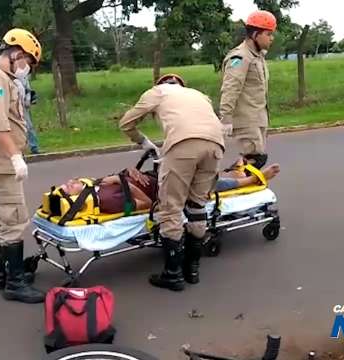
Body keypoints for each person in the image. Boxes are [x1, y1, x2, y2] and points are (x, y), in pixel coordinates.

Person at [118, 73, 225, 292]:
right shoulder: (199, 95)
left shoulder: (157, 92)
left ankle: (173, 274)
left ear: (161, 84)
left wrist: (144, 142)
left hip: (184, 145)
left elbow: (126, 123)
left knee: (170, 209)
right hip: (216, 145)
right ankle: (192, 270)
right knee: (197, 206)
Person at [0, 28, 45, 304]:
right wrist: (16, 157)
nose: (28, 67)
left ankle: (1, 276)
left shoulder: (5, 78)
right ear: (16, 53)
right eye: (28, 61)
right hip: (1, 164)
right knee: (14, 220)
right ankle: (15, 283)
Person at [59, 163, 281, 214]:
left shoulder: (98, 185)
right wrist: (124, 183)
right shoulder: (107, 202)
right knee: (203, 183)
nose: (71, 181)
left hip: (158, 177)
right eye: (69, 186)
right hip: (166, 190)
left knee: (197, 169)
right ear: (76, 197)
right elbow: (147, 205)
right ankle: (248, 181)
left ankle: (235, 173)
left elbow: (124, 175)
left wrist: (128, 173)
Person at [219, 10, 277, 170]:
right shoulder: (240, 57)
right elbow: (231, 87)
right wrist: (226, 118)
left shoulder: (257, 56)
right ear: (255, 34)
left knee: (255, 162)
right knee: (254, 160)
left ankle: (243, 184)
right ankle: (233, 181)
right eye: (268, 34)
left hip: (259, 118)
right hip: (246, 121)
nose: (272, 38)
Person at [18, 74, 41, 154]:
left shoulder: (23, 75)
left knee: (29, 126)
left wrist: (28, 99)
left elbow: (27, 89)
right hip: (14, 104)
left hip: (24, 104)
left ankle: (34, 147)